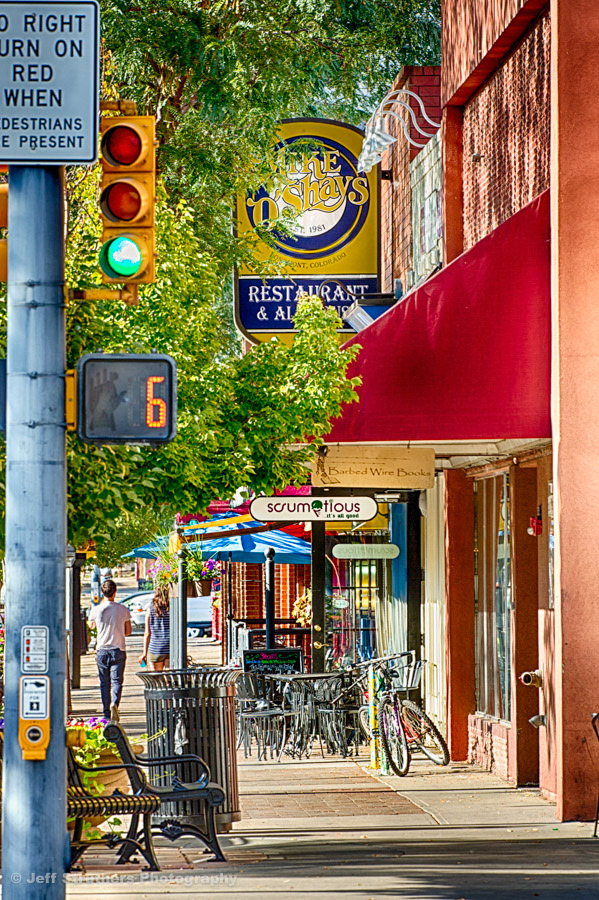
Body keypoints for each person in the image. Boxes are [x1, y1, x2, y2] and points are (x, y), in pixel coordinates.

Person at [88, 579, 132, 721]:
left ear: (102, 592)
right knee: (117, 681)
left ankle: (106, 712)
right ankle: (115, 704)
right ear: (115, 592)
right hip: (118, 649)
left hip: (102, 650)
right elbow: (128, 631)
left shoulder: (96, 610)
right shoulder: (123, 609)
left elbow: (91, 626)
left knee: (104, 682)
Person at [139, 587, 170, 671]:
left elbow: (147, 633)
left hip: (155, 648)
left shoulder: (151, 609)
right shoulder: (172, 608)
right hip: (170, 647)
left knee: (157, 680)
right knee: (170, 679)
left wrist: (144, 653)